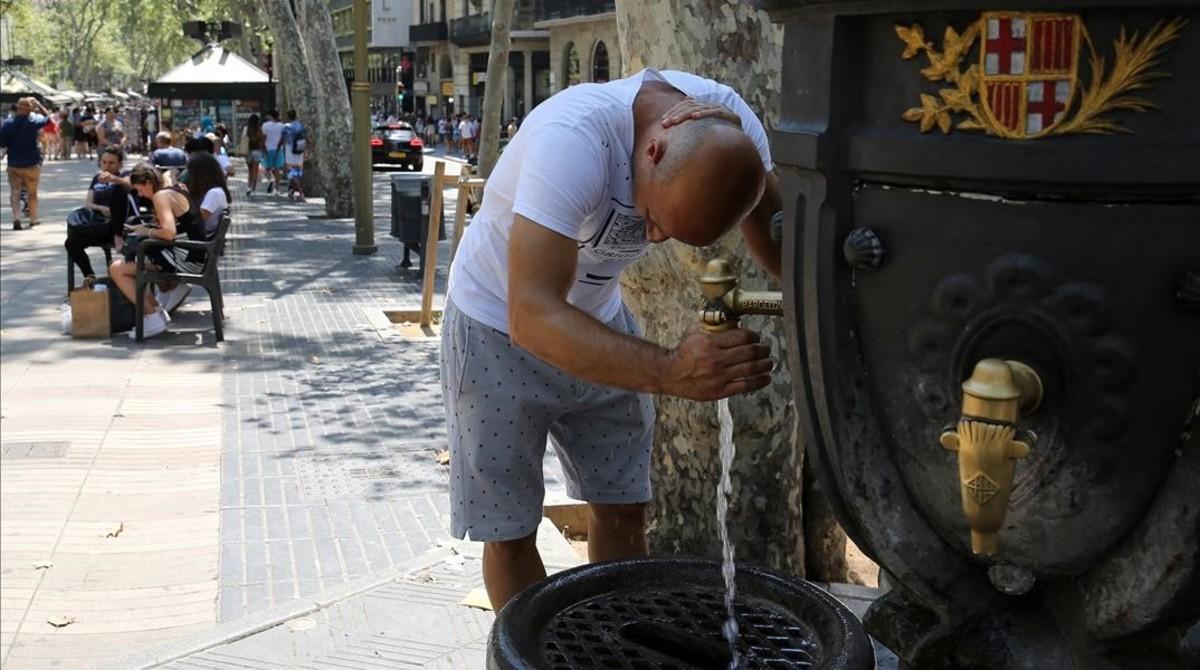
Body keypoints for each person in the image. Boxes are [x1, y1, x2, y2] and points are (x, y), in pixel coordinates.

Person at [441, 68, 781, 611]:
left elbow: (785, 246)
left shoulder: (729, 123)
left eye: (670, 232)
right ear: (652, 151)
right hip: (495, 328)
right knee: (509, 529)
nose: (651, 237)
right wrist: (672, 369)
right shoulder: (573, 138)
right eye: (654, 220)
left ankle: (617, 636)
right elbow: (532, 315)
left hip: (599, 321)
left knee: (623, 505)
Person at [107, 163, 209, 339]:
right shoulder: (172, 190)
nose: (140, 195)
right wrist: (145, 227)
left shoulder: (161, 196)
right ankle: (155, 312)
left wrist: (145, 231)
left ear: (148, 183)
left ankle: (152, 317)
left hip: (186, 259)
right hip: (195, 254)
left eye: (139, 190)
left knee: (117, 269)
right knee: (132, 264)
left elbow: (169, 233)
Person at [65, 146, 131, 283]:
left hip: (119, 225)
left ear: (120, 164)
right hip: (98, 224)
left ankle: (117, 237)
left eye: (111, 163)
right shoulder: (97, 178)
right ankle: (89, 276)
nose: (107, 166)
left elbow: (131, 185)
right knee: (71, 243)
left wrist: (113, 179)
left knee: (119, 193)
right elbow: (89, 203)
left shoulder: (124, 176)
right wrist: (100, 208)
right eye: (104, 162)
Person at [1, 97, 51, 230]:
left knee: (15, 191)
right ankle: (33, 219)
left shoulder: (7, 123)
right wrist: (39, 105)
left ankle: (16, 218)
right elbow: (49, 119)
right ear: (30, 110)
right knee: (32, 192)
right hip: (31, 163)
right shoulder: (34, 121)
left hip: (14, 164)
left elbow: (3, 143)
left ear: (17, 108)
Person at [261, 110, 286, 194]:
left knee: (265, 168)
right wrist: (279, 147)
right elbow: (282, 139)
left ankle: (270, 179)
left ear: (271, 116)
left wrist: (263, 148)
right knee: (277, 169)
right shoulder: (282, 126)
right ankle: (277, 189)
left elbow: (263, 138)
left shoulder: (265, 125)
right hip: (278, 149)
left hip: (268, 149)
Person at [242, 113, 266, 196]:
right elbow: (262, 140)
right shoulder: (260, 130)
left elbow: (243, 139)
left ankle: (248, 187)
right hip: (257, 151)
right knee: (255, 170)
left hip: (249, 151)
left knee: (250, 171)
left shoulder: (247, 129)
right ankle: (253, 189)